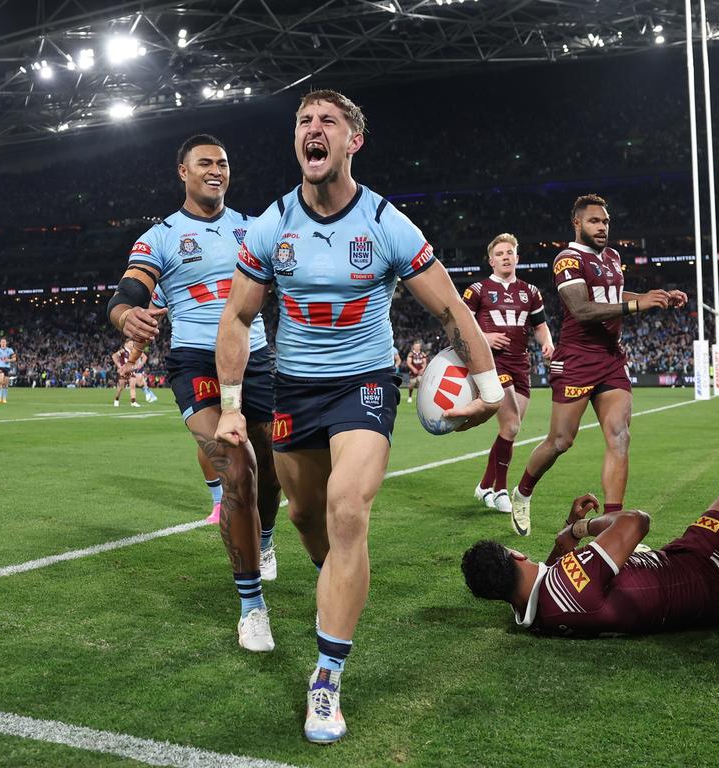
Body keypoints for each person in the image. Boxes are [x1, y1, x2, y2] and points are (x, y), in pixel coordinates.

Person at [214, 89, 502, 744]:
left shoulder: (386, 223)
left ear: (353, 142)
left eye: (328, 122)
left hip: (363, 386)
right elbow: (236, 317)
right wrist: (232, 408)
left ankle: (327, 676)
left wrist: (488, 387)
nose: (312, 130)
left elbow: (454, 310)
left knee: (348, 510)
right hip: (293, 390)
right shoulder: (271, 224)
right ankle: (338, 581)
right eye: (303, 122)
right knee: (307, 517)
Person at [106, 134, 281, 651]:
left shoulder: (254, 229)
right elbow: (129, 293)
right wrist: (125, 318)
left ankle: (264, 539)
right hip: (196, 360)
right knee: (235, 466)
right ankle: (251, 606)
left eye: (223, 163)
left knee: (271, 469)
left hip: (258, 360)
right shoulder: (161, 237)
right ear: (182, 172)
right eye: (205, 162)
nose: (216, 170)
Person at [508, 195, 687, 536]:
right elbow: (582, 309)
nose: (602, 227)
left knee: (620, 437)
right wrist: (638, 307)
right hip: (575, 359)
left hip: (611, 359)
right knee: (561, 441)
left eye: (605, 222)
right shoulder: (567, 259)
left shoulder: (613, 258)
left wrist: (654, 296)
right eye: (594, 221)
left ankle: (612, 529)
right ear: (577, 223)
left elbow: (613, 296)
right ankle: (522, 492)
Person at [462, 474, 719, 636]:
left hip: (688, 577)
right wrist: (579, 530)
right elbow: (637, 521)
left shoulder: (528, 611)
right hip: (703, 578)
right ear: (516, 554)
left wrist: (566, 533)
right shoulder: (569, 581)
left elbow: (549, 579)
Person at [464, 233, 554, 514]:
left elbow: (540, 326)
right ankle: (501, 490)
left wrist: (548, 342)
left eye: (509, 252)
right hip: (491, 364)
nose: (505, 257)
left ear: (517, 257)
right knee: (512, 425)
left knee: (509, 430)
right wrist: (485, 339)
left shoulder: (530, 292)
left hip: (521, 365)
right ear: (491, 260)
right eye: (499, 253)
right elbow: (462, 325)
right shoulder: (477, 289)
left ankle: (483, 486)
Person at [0, 337, 16, 403]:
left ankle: (4, 398)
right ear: (0, 343)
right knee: (0, 381)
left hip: (7, 368)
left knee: (5, 384)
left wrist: (9, 360)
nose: (3, 343)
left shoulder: (10, 350)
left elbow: (14, 359)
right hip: (0, 367)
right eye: (2, 342)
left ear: (6, 343)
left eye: (4, 342)